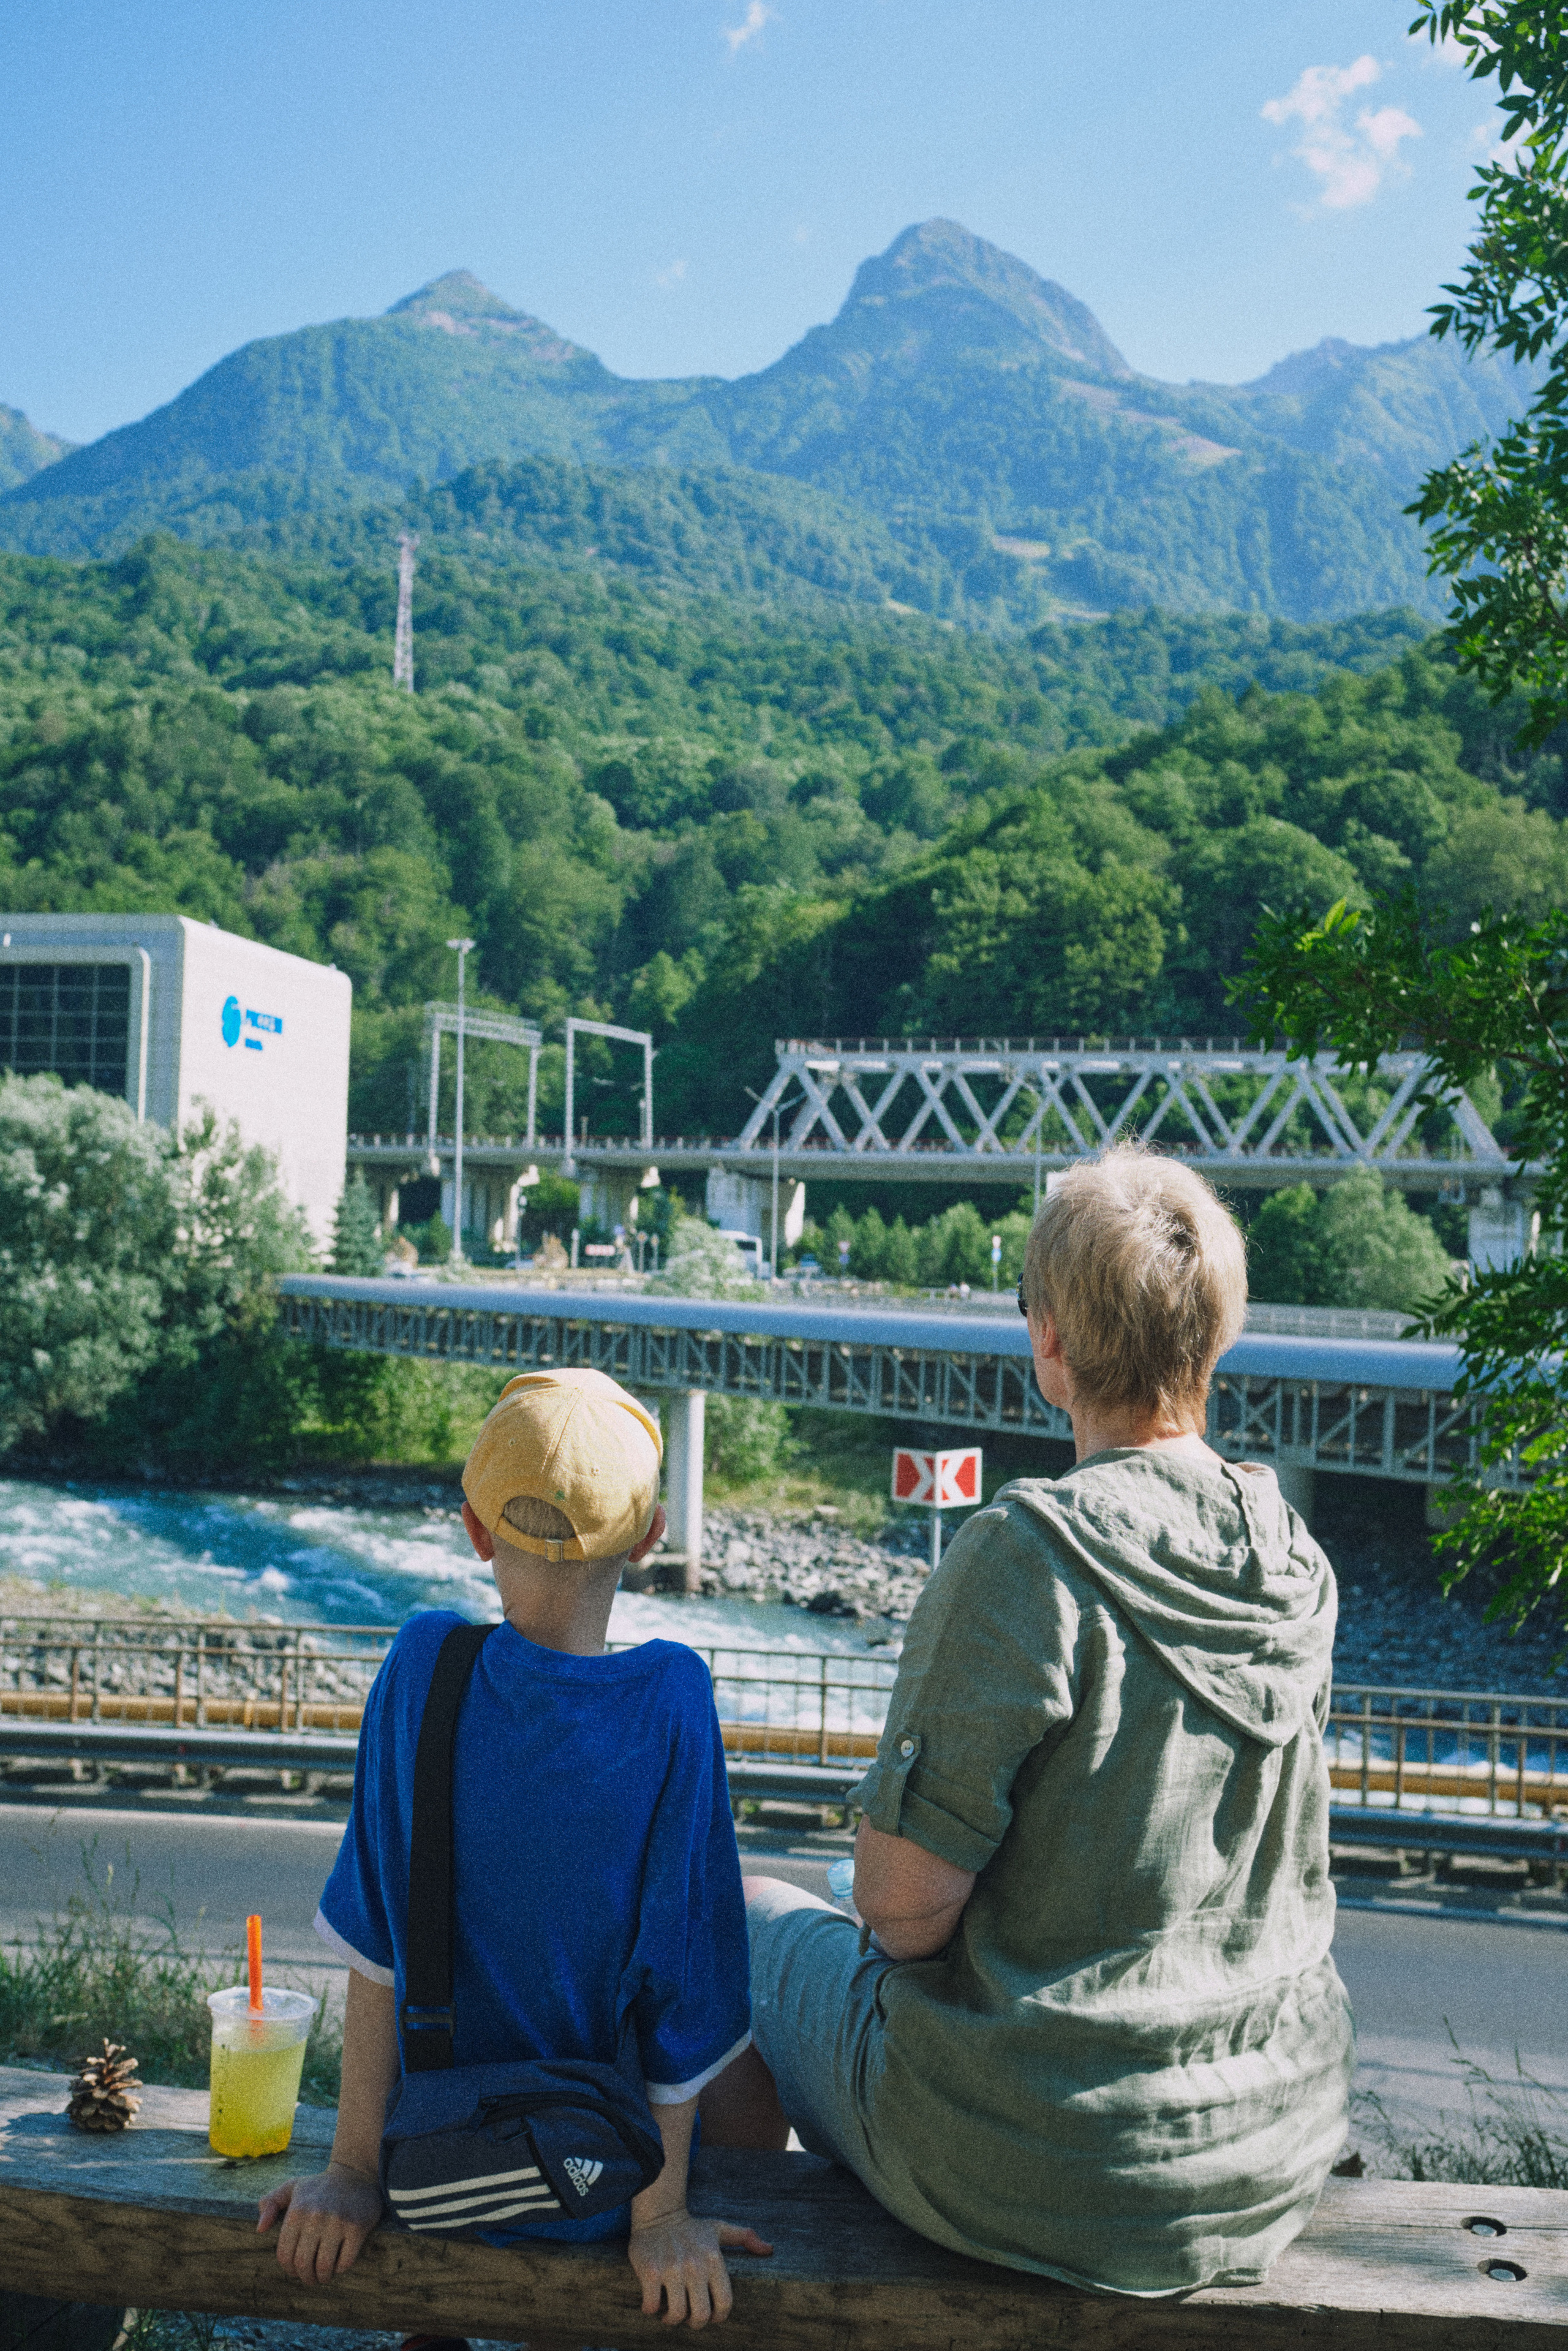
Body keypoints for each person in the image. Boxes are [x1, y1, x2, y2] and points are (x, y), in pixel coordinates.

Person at [702, 1142, 1354, 2296]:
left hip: (1032, 2159)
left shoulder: (1027, 1557)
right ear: (1219, 1334)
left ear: (1051, 1339)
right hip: (1264, 2145)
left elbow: (901, 1918)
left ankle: (751, 2281)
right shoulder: (1296, 1556)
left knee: (745, 1919)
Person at [258, 1366, 771, 2329]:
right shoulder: (671, 1699)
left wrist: (352, 2169)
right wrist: (660, 2217)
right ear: (652, 1537)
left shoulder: (421, 1666)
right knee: (762, 2036)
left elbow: (376, 1946)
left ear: (475, 1528)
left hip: (434, 2173)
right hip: (599, 2190)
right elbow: (688, 1988)